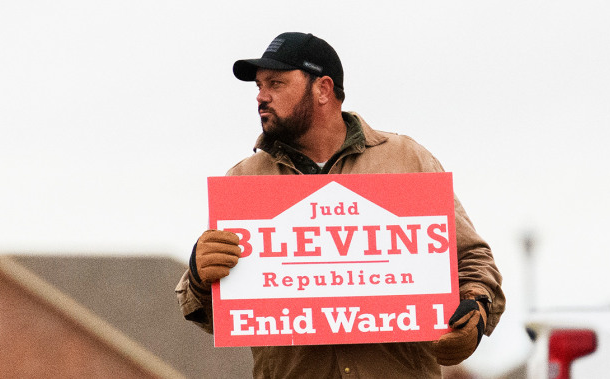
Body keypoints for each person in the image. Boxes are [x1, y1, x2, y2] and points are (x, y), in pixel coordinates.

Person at [176, 32, 505, 378]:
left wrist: (476, 310)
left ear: (323, 89)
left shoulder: (406, 160)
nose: (261, 96)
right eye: (258, 86)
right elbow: (228, 316)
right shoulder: (243, 183)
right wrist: (199, 279)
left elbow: (472, 259)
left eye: (276, 83)